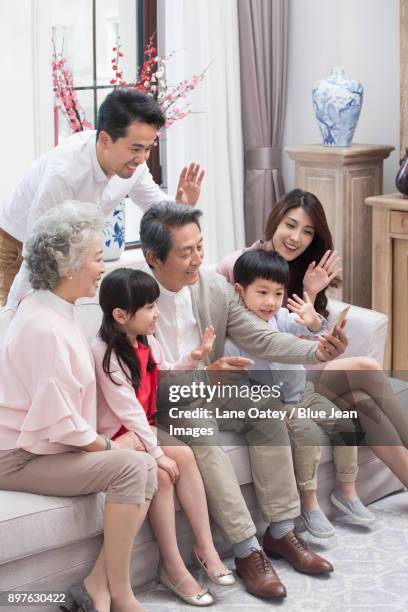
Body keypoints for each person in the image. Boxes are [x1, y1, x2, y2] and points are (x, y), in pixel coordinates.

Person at [138, 201, 349, 601]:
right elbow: (138, 382)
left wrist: (317, 351)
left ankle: (282, 532)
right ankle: (246, 549)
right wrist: (204, 374)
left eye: (200, 246)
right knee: (203, 436)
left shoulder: (214, 286)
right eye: (186, 252)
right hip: (171, 402)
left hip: (214, 389)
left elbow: (261, 335)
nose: (198, 258)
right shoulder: (133, 295)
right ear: (153, 257)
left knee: (266, 409)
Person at [0, 201, 157, 612]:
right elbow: (61, 423)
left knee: (146, 462)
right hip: (17, 458)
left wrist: (117, 442)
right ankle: (120, 594)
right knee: (132, 464)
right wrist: (112, 448)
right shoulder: (44, 327)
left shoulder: (55, 310)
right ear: (66, 267)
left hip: (44, 446)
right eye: (93, 256)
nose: (101, 265)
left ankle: (97, 587)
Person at [217, 188, 408, 494]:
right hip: (270, 380)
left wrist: (311, 293)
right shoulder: (237, 264)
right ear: (275, 221)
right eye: (290, 225)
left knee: (362, 403)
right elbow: (243, 329)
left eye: (307, 232)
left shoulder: (304, 269)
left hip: (297, 373)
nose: (296, 238)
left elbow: (308, 335)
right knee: (367, 366)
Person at [92, 268, 235, 607]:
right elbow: (127, 413)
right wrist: (158, 455)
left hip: (142, 430)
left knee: (185, 455)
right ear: (121, 315)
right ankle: (172, 567)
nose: (157, 313)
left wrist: (194, 358)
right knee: (163, 474)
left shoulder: (146, 340)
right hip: (118, 437)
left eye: (156, 304)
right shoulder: (105, 354)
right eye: (150, 307)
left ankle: (206, 549)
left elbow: (164, 370)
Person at [0, 87, 204, 308]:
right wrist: (12, 312)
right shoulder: (65, 172)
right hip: (13, 247)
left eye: (148, 148)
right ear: (105, 140)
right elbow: (34, 249)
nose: (142, 157)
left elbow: (157, 207)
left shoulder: (136, 167)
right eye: (136, 148)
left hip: (63, 253)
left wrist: (181, 206)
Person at [224, 249, 375, 538]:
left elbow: (311, 330)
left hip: (302, 391)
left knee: (345, 424)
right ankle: (309, 504)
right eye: (262, 292)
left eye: (278, 293)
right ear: (239, 291)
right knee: (306, 435)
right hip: (278, 404)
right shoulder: (236, 335)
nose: (271, 301)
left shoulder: (279, 317)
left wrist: (314, 321)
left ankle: (347, 492)